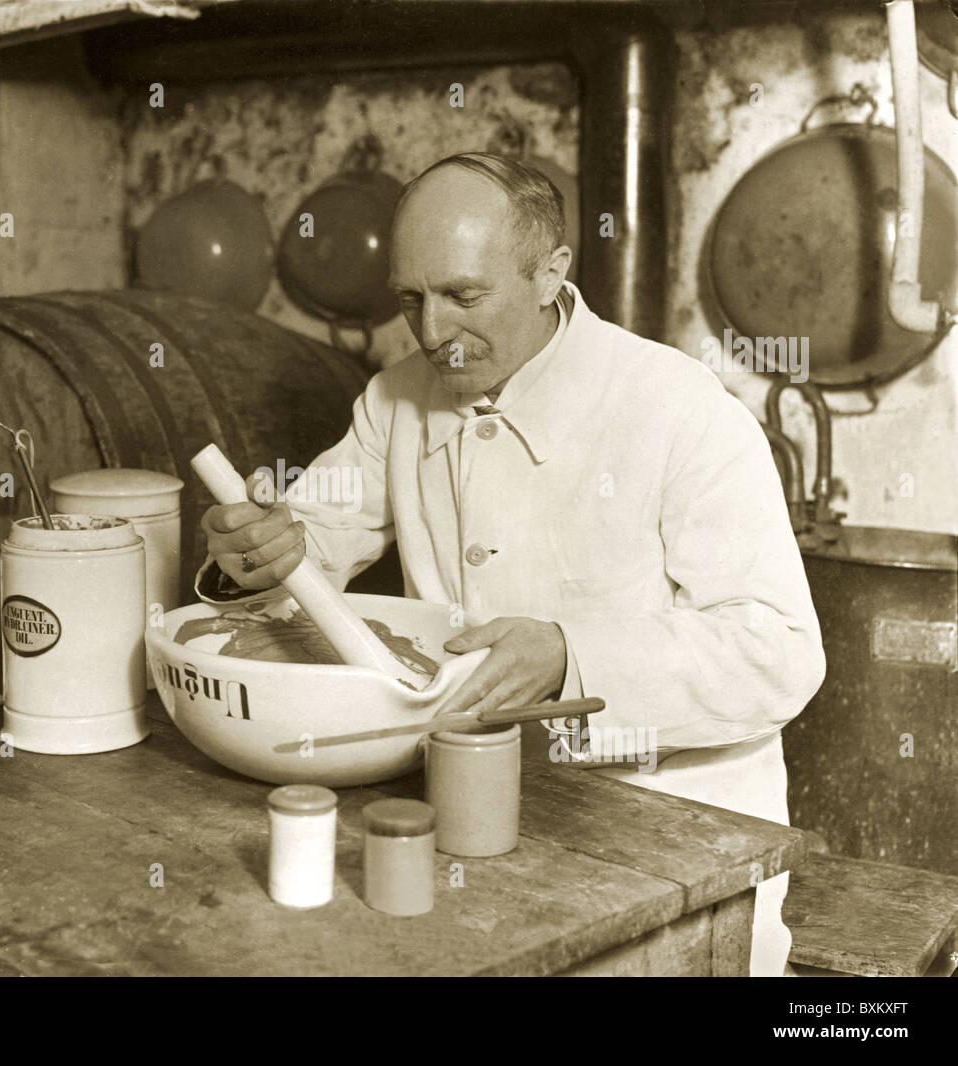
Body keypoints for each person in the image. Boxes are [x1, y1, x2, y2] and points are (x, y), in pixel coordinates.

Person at [196, 152, 825, 975]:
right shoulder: (395, 400)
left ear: (550, 273)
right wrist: (256, 555)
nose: (433, 333)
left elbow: (780, 652)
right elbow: (310, 536)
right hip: (472, 814)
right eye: (412, 301)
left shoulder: (679, 409)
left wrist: (570, 656)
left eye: (463, 296)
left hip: (672, 836)